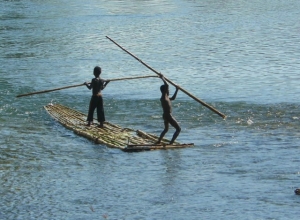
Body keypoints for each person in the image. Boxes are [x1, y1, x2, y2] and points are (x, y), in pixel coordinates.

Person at [156, 74, 181, 145]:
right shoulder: (164, 97)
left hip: (165, 115)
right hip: (168, 116)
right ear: (165, 91)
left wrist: (177, 90)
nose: (169, 91)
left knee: (166, 129)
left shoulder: (167, 98)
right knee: (178, 129)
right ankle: (171, 143)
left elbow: (173, 98)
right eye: (168, 90)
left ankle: (159, 141)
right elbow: (167, 85)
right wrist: (162, 78)